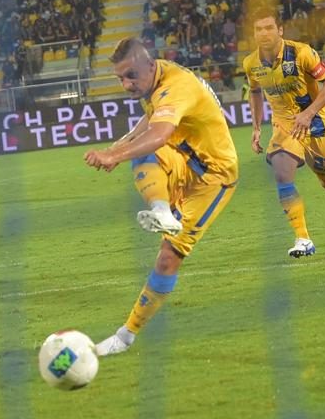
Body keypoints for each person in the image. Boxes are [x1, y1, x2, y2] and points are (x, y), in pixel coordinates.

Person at [84, 38, 238, 356]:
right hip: (183, 158)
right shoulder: (156, 78)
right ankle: (162, 211)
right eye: (120, 78)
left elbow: (159, 133)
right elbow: (151, 119)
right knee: (141, 152)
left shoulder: (176, 85)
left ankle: (125, 336)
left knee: (168, 258)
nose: (126, 85)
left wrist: (115, 155)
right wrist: (118, 148)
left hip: (212, 176)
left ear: (149, 65)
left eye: (131, 76)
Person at [242, 12, 325, 258]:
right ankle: (303, 239)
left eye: (269, 27)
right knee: (282, 171)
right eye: (258, 29)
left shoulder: (301, 53)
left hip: (315, 121)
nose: (264, 33)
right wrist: (256, 127)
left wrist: (308, 114)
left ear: (280, 30)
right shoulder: (251, 63)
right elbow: (254, 91)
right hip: (284, 125)